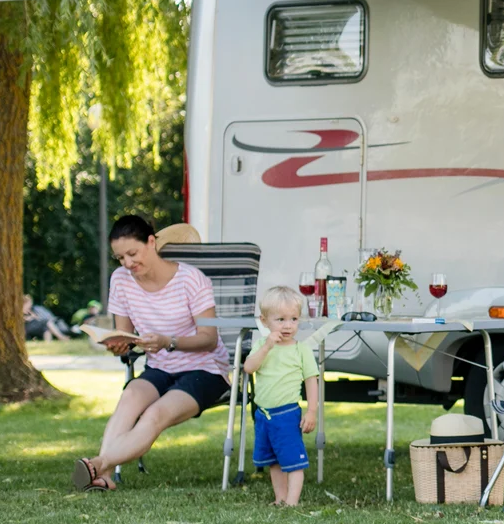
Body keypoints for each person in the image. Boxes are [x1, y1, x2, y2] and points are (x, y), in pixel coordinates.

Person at [71, 215, 231, 491]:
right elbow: (125, 334)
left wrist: (168, 341)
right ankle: (104, 477)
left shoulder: (192, 280)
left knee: (154, 415)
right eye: (120, 258)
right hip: (160, 366)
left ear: (151, 242)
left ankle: (98, 464)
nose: (127, 264)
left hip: (205, 369)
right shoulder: (121, 280)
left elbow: (208, 339)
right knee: (130, 397)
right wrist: (120, 344)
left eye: (132, 253)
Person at [242, 286, 321, 506]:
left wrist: (312, 410)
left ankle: (292, 501)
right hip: (264, 414)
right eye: (280, 319)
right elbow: (249, 367)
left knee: (293, 460)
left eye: (293, 319)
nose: (288, 325)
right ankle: (280, 498)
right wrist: (267, 346)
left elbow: (311, 379)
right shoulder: (262, 345)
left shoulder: (300, 349)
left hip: (287, 413)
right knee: (274, 461)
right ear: (265, 321)